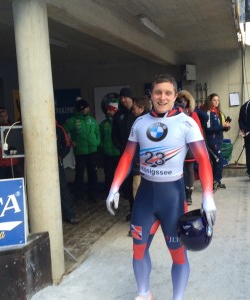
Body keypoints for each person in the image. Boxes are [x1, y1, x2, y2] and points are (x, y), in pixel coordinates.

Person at [105, 74, 216, 300]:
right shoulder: (140, 122)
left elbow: (203, 160)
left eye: (167, 93)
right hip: (145, 196)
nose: (162, 97)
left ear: (175, 96)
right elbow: (127, 157)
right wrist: (114, 187)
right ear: (151, 95)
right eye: (158, 92)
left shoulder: (187, 123)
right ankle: (144, 294)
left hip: (173, 198)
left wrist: (207, 195)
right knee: (138, 249)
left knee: (178, 254)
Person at [64, 98, 100, 202]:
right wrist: (70, 142)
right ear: (81, 109)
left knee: (93, 174)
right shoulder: (72, 121)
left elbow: (98, 133)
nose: (88, 109)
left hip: (92, 151)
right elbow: (63, 132)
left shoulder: (92, 120)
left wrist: (97, 143)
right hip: (80, 152)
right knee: (79, 174)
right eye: (86, 108)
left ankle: (93, 195)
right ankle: (79, 196)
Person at [111, 87, 136, 219]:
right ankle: (132, 210)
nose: (123, 100)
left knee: (137, 184)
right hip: (124, 155)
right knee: (127, 185)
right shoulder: (118, 115)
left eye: (125, 97)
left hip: (137, 156)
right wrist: (120, 147)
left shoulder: (137, 113)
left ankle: (139, 211)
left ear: (131, 98)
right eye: (121, 98)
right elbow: (114, 134)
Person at [198, 94, 230, 191]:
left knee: (216, 162)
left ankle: (216, 182)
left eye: (218, 100)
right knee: (219, 160)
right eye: (214, 100)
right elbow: (208, 129)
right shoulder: (208, 112)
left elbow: (219, 128)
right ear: (210, 101)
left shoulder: (217, 112)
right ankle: (215, 181)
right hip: (212, 142)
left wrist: (225, 128)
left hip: (218, 141)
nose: (216, 102)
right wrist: (222, 126)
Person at [177, 90, 203, 205]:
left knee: (189, 171)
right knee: (179, 172)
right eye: (181, 99)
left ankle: (189, 194)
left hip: (190, 148)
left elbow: (198, 132)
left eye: (185, 99)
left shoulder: (193, 114)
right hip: (177, 148)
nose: (183, 101)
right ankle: (181, 193)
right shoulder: (175, 114)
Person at [56, 122, 79, 224]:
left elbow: (67, 144)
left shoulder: (59, 128)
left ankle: (70, 215)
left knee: (63, 189)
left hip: (56, 165)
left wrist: (60, 156)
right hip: (40, 166)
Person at [0, 107, 21, 179]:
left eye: (5, 116)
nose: (3, 118)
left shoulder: (13, 128)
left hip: (12, 162)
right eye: (1, 116)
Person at [99, 100, 120, 196]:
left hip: (118, 153)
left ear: (115, 110)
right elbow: (100, 136)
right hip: (107, 153)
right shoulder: (103, 124)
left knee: (120, 174)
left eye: (110, 110)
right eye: (108, 110)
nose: (108, 112)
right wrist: (102, 146)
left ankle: (121, 192)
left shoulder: (121, 121)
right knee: (108, 174)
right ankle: (108, 192)